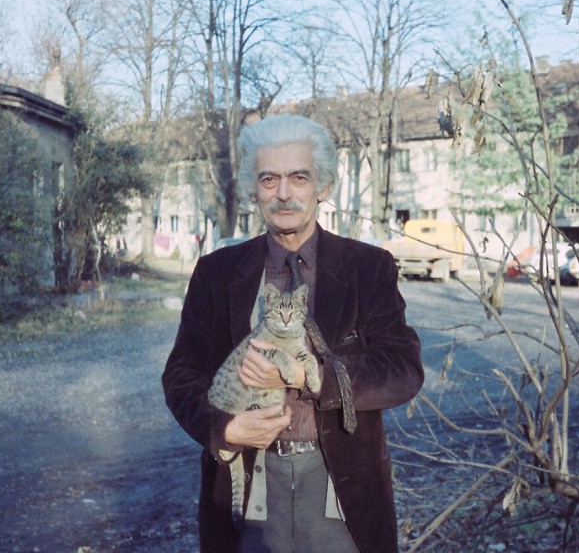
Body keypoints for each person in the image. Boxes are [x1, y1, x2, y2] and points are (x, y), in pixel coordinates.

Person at [162, 113, 424, 553]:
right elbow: (180, 375)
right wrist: (225, 429)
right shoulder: (215, 272)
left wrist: (311, 376)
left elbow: (402, 369)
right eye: (269, 179)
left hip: (340, 494)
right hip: (248, 491)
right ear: (253, 190)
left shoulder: (367, 267)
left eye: (299, 177)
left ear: (323, 187)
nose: (283, 193)